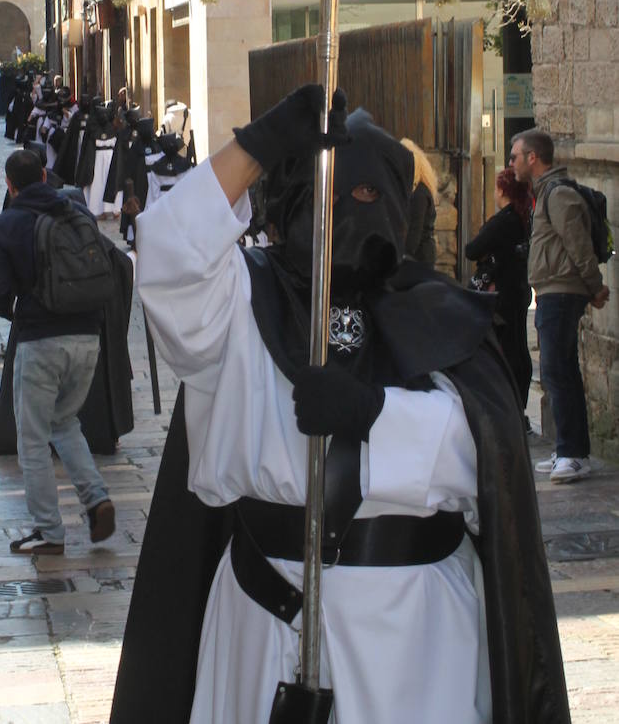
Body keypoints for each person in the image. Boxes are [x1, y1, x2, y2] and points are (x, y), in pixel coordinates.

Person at [110, 88, 570, 724]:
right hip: (263, 623)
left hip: (417, 638)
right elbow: (167, 255)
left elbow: (488, 454)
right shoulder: (237, 301)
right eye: (329, 194)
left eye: (368, 192)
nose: (348, 212)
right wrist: (259, 143)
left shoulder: (444, 314)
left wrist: (376, 415)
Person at [0, 148, 115, 554]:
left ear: (9, 185)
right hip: (88, 336)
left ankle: (48, 530)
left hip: (41, 339)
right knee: (64, 421)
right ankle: (96, 498)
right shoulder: (79, 212)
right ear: (44, 176)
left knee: (32, 440)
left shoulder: (7, 224)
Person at [510, 127, 610, 484]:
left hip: (562, 292)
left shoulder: (558, 194)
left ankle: (573, 453)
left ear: (532, 157)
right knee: (559, 371)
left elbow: (578, 246)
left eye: (515, 156)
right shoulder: (546, 192)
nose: (512, 163)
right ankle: (569, 449)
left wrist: (595, 288)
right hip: (553, 291)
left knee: (557, 371)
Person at [465, 166, 533, 417]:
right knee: (519, 347)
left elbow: (472, 250)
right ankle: (518, 406)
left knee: (503, 351)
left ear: (502, 190)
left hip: (501, 294)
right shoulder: (524, 218)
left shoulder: (503, 220)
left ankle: (505, 406)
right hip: (520, 290)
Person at [400, 136, 438, 265]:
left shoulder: (419, 194)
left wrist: (403, 257)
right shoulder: (417, 191)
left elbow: (415, 232)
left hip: (419, 258)